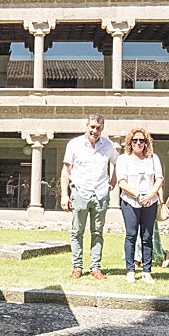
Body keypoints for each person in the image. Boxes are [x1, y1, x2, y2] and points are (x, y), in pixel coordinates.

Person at [60, 114, 117, 280]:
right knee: (77, 231)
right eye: (92, 127)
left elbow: (118, 163)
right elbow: (66, 171)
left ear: (102, 129)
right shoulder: (75, 144)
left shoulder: (108, 145)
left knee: (97, 232)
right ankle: (77, 267)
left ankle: (95, 267)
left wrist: (111, 183)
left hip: (100, 194)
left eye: (98, 128)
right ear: (87, 126)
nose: (95, 130)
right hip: (80, 192)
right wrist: (65, 195)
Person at [116, 127, 164, 283]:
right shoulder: (123, 159)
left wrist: (151, 195)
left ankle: (146, 271)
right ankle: (130, 270)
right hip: (130, 201)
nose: (138, 143)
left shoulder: (153, 158)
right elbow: (121, 182)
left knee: (147, 236)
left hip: (150, 200)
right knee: (131, 235)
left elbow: (159, 178)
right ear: (130, 142)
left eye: (141, 140)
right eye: (135, 140)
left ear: (146, 142)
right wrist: (137, 195)